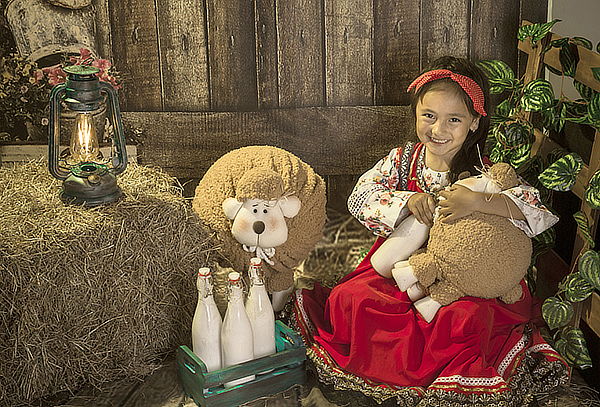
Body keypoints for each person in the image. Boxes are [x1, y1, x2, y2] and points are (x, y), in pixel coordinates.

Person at [292, 56, 569, 406]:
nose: (438, 129)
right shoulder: (402, 160)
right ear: (416, 114)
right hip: (401, 266)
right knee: (352, 299)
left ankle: (442, 380)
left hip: (463, 276)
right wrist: (406, 202)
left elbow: (536, 213)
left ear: (473, 124)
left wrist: (478, 203)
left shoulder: (485, 169)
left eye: (454, 120)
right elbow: (360, 198)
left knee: (463, 319)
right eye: (429, 116)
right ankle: (386, 371)